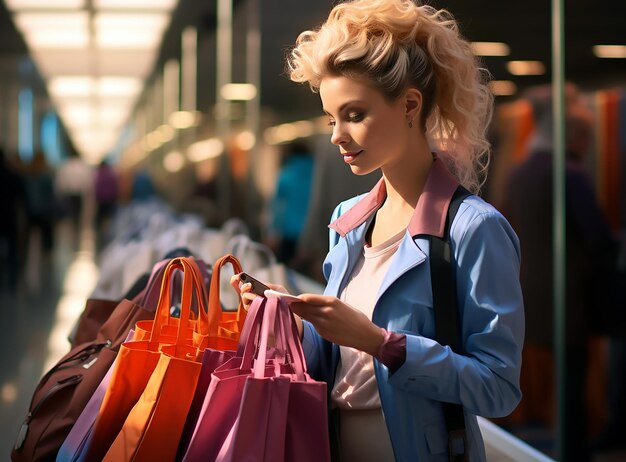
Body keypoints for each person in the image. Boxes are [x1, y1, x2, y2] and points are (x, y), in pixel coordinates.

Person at [233, 1, 524, 460]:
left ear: (410, 104)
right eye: (332, 119)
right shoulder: (349, 222)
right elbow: (341, 365)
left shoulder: (474, 230)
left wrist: (381, 343)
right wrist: (289, 320)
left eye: (354, 115)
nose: (336, 135)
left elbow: (498, 388)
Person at [502, 84, 620, 461]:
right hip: (569, 294)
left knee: (555, 380)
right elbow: (599, 238)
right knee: (572, 380)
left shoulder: (522, 171)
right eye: (584, 136)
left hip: (532, 291)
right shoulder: (570, 174)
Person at [267, 141, 315, 264]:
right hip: (311, 231)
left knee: (288, 271)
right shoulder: (316, 174)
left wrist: (273, 230)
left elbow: (277, 206)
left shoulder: (286, 175)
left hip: (289, 231)